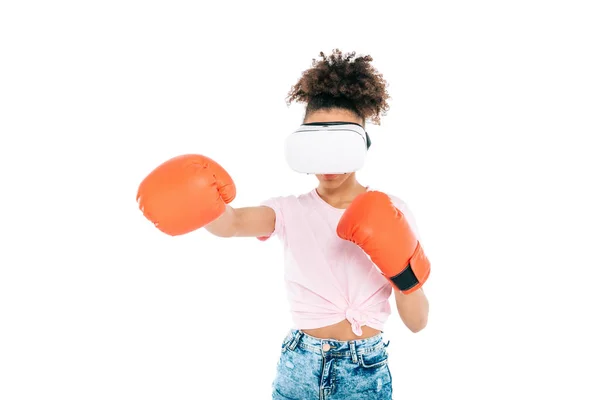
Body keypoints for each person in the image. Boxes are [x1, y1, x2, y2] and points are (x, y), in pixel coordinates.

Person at [136, 49, 430, 400]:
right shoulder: (290, 211)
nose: (328, 161)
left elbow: (417, 322)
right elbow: (231, 223)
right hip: (300, 365)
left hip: (365, 371)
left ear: (363, 143)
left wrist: (403, 272)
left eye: (339, 145)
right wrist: (196, 200)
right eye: (316, 145)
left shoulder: (393, 210)